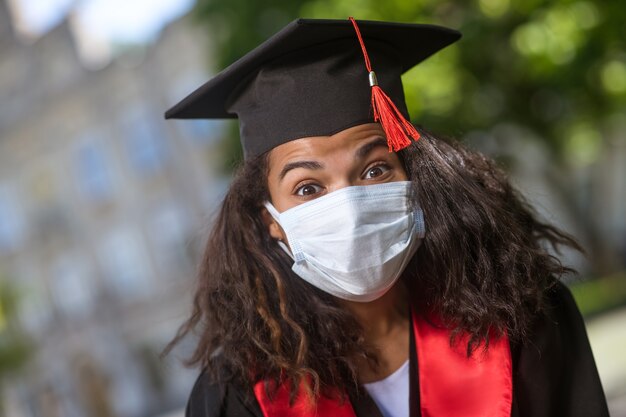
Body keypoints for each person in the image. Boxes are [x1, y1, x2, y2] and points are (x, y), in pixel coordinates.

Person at [164, 17, 609, 417]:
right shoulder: (238, 394)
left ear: (416, 181)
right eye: (308, 188)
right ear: (271, 220)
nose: (351, 206)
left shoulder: (522, 319)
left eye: (375, 169)